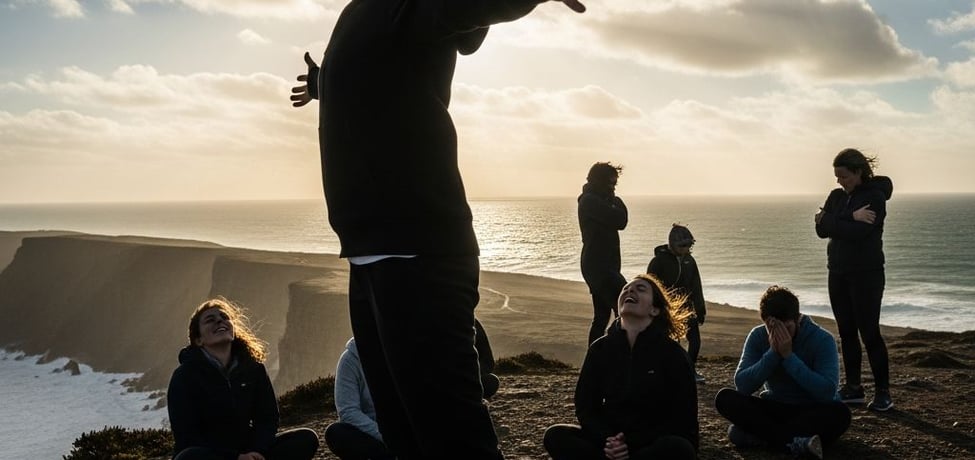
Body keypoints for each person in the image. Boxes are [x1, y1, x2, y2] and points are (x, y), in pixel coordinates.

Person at [289, 2, 585, 457]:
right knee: (402, 429)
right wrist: (327, 83)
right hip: (369, 255)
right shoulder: (362, 12)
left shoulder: (408, 6)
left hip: (417, 253)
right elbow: (383, 80)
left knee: (451, 432)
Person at [543, 274, 698, 460]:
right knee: (556, 436)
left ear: (655, 309)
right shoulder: (600, 349)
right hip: (610, 442)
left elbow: (683, 416)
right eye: (626, 289)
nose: (629, 290)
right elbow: (586, 407)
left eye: (640, 289)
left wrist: (630, 443)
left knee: (679, 448)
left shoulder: (672, 354)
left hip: (650, 443)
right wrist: (608, 440)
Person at [167, 298, 319, 460]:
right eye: (210, 320)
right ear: (198, 340)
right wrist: (235, 457)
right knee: (189, 457)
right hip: (212, 454)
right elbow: (186, 435)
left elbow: (267, 419)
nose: (219, 320)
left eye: (225, 317)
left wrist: (257, 451)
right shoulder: (184, 376)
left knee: (305, 439)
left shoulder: (253, 369)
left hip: (249, 450)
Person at [325, 322, 501, 460]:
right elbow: (348, 411)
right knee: (337, 433)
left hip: (407, 430)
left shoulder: (401, 349)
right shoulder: (350, 360)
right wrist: (385, 436)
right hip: (374, 433)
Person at [714, 286, 851, 460]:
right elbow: (743, 385)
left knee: (840, 413)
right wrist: (772, 354)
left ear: (797, 319)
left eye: (787, 328)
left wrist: (788, 357)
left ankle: (771, 437)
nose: (780, 334)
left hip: (811, 410)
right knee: (725, 398)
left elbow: (826, 392)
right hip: (776, 406)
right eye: (773, 328)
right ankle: (795, 442)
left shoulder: (822, 339)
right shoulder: (758, 336)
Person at [814, 148, 894, 412]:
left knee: (869, 332)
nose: (839, 182)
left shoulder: (875, 197)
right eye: (837, 177)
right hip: (837, 272)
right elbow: (819, 229)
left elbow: (857, 234)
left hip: (867, 275)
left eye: (844, 177)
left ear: (859, 172)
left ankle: (883, 393)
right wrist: (848, 216)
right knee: (846, 332)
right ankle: (854, 388)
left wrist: (832, 220)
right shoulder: (837, 196)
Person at [646, 223, 707, 383]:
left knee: (695, 341)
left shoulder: (690, 261)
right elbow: (649, 286)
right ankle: (662, 373)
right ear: (672, 244)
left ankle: (689, 370)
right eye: (682, 245)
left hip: (686, 308)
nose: (686, 248)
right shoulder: (658, 261)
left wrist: (700, 309)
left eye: (689, 245)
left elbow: (696, 286)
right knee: (665, 342)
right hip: (665, 309)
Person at [578, 162, 628, 346]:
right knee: (624, 310)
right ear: (599, 181)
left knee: (602, 316)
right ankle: (617, 355)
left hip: (603, 266)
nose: (613, 187)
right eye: (611, 183)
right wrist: (616, 200)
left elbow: (620, 219)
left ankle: (595, 361)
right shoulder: (590, 201)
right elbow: (620, 220)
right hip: (599, 267)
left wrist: (613, 200)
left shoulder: (597, 200)